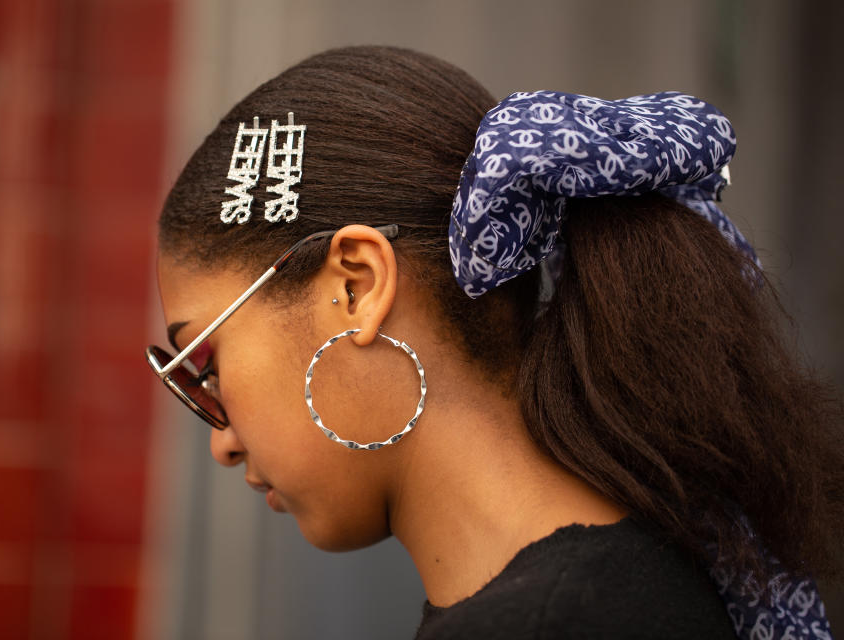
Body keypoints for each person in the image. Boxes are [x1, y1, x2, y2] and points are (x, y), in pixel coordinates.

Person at [146, 46, 844, 639]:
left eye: (202, 361)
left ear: (355, 287)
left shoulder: (547, 624)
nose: (222, 440)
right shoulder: (630, 573)